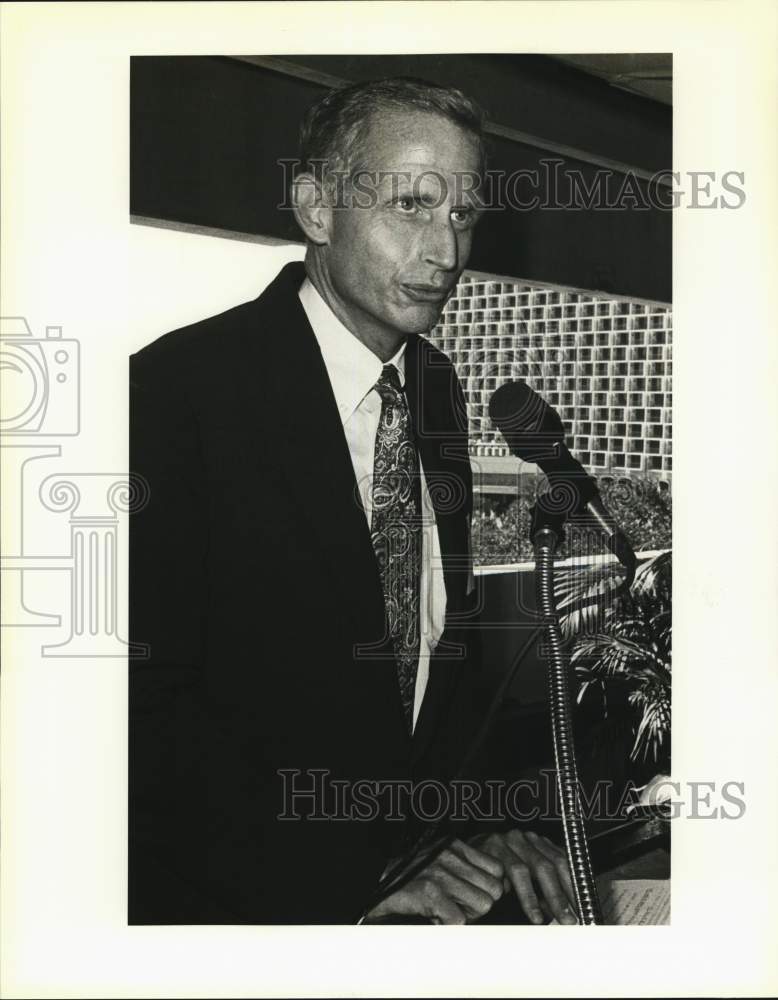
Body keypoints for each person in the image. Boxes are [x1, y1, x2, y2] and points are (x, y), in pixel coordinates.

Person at [129, 77, 577, 925]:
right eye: (412, 203)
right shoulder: (170, 395)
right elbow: (136, 717)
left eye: (463, 214)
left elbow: (439, 669)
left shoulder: (437, 394)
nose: (446, 251)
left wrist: (484, 826)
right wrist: (346, 878)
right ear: (316, 208)